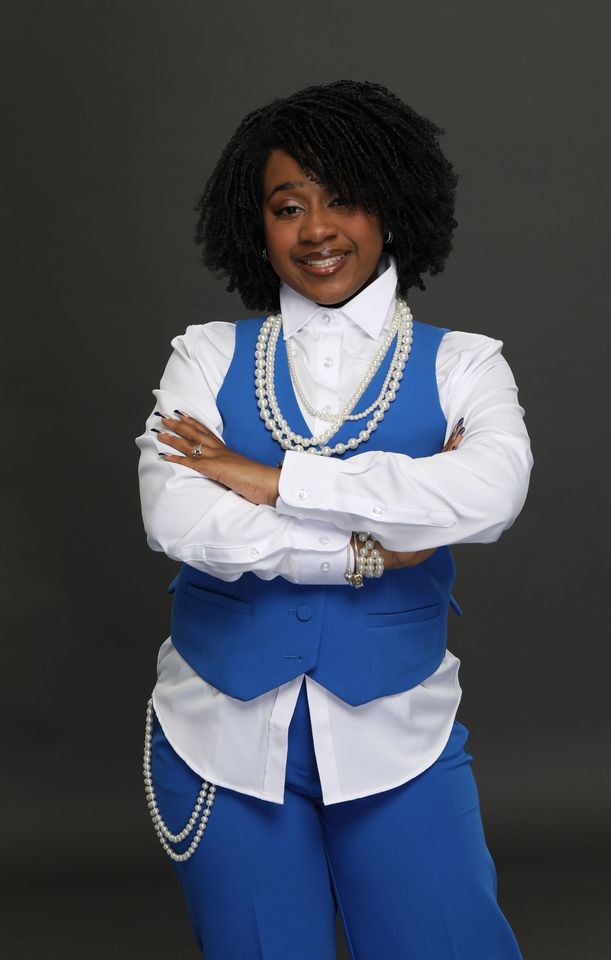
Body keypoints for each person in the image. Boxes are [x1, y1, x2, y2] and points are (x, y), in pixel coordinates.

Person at [135, 79, 533, 959]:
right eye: (288, 206)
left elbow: (491, 494)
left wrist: (271, 480)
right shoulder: (203, 356)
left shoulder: (464, 365)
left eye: (345, 199)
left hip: (398, 733)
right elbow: (176, 515)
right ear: (259, 226)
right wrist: (361, 552)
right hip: (219, 736)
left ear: (393, 209)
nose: (317, 230)